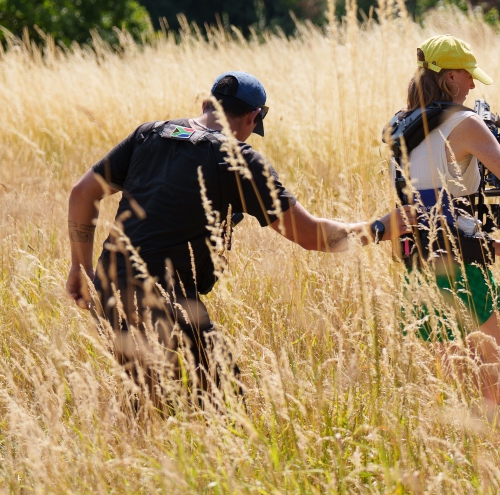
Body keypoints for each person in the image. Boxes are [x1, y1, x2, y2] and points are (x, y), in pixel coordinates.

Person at [66, 71, 368, 403]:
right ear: (253, 117)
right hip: (162, 296)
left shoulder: (149, 135)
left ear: (206, 103)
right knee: (223, 402)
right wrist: (380, 229)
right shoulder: (237, 158)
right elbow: (314, 236)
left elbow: (82, 193)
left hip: (112, 283)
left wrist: (80, 269)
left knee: (147, 401)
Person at [377, 35, 500, 420]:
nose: (473, 86)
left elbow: (424, 210)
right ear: (451, 78)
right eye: (469, 77)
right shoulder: (466, 123)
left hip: (419, 277)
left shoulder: (397, 127)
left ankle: (499, 469)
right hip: (462, 277)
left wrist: (487, 243)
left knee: (489, 402)